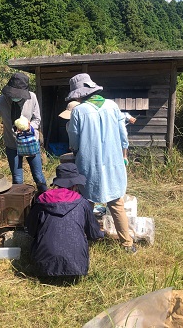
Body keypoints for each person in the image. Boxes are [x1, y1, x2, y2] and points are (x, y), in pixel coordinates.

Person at [65, 73, 137, 254]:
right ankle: (127, 243)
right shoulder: (113, 106)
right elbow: (123, 135)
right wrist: (124, 153)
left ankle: (82, 237)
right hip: (113, 160)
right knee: (116, 202)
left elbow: (74, 140)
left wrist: (75, 149)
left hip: (89, 162)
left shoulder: (78, 111)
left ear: (79, 94)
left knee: (86, 201)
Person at [25, 163, 104, 276]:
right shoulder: (82, 203)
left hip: (42, 265)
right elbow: (93, 232)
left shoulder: (41, 201)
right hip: (77, 265)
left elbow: (31, 229)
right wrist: (102, 234)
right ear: (75, 185)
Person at [0, 72, 48, 193]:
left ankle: (45, 200)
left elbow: (37, 119)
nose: (15, 97)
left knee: (38, 176)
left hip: (30, 142)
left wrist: (29, 127)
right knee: (17, 179)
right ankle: (21, 206)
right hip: (12, 145)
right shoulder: (1, 101)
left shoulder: (32, 98)